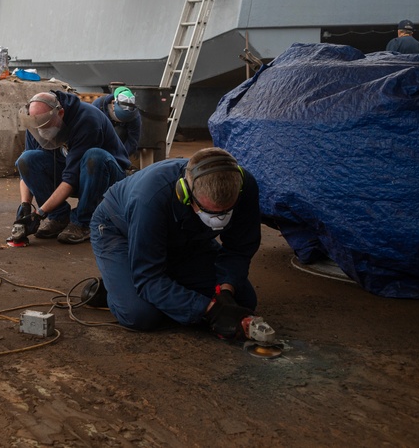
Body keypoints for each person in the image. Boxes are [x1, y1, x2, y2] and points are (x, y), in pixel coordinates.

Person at [85, 147, 260, 338]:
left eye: (226, 212)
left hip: (186, 237)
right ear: (185, 193)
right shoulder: (150, 198)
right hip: (119, 231)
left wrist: (225, 292)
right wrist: (210, 310)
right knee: (140, 315)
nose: (218, 220)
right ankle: (114, 288)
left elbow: (239, 249)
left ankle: (156, 282)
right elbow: (149, 277)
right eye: (210, 212)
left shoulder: (246, 186)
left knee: (243, 300)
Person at [13, 90, 131, 244]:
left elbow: (71, 179)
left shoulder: (87, 120)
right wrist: (26, 205)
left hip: (106, 177)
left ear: (60, 113)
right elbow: (26, 169)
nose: (41, 131)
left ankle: (84, 222)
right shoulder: (36, 124)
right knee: (26, 159)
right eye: (38, 127)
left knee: (94, 157)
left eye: (46, 126)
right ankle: (59, 218)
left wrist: (40, 213)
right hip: (74, 173)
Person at [91, 86, 142, 158]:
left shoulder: (135, 117)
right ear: (113, 104)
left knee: (120, 131)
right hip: (98, 144)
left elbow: (132, 142)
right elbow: (89, 132)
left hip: (118, 148)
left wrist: (120, 157)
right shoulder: (98, 106)